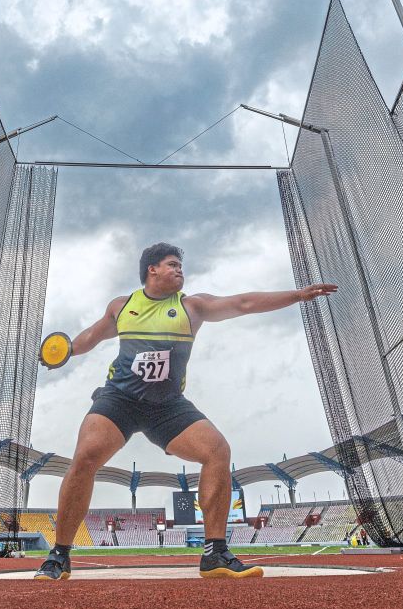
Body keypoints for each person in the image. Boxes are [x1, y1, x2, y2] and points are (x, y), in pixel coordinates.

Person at [34, 242, 336, 580]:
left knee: (217, 450)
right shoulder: (122, 306)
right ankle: (59, 555)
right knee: (86, 455)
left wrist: (297, 295)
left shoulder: (193, 306)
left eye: (181, 265)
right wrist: (65, 351)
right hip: (119, 399)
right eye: (173, 264)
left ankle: (215, 552)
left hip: (167, 406)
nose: (180, 270)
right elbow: (92, 335)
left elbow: (243, 303)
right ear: (152, 270)